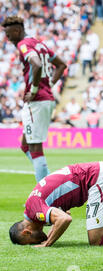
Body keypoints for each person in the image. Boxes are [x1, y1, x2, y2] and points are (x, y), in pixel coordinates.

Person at [2, 16, 67, 182]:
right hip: (45, 98)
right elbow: (61, 64)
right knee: (26, 145)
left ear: (17, 31)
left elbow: (36, 64)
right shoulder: (38, 43)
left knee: (35, 147)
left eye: (9, 35)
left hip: (37, 101)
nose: (8, 39)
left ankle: (45, 194)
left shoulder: (23, 44)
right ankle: (50, 182)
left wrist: (36, 89)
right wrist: (49, 84)